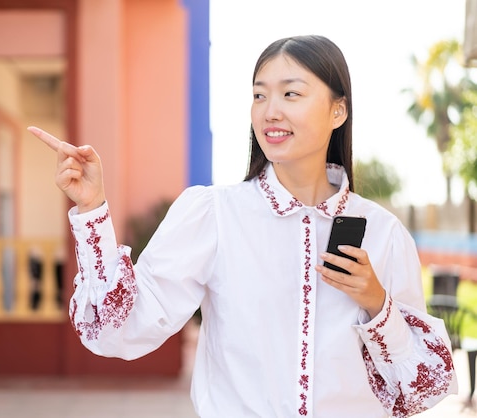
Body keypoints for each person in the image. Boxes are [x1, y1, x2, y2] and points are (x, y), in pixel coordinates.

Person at [28, 34, 458, 418]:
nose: (270, 111)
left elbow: (418, 391)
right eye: (259, 96)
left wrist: (378, 304)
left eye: (291, 94)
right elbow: (116, 331)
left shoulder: (383, 233)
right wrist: (92, 210)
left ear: (338, 110)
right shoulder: (213, 215)